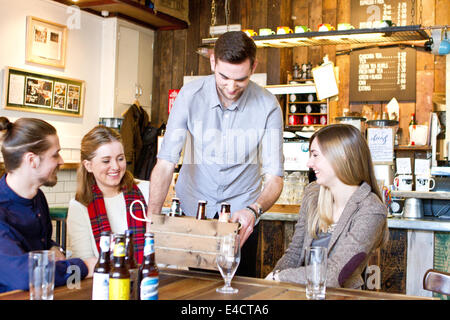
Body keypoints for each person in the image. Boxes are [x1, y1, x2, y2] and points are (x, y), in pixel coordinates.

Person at [147, 31, 284, 277]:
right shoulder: (189, 96)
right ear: (212, 62)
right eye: (224, 77)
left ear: (254, 66)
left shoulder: (268, 106)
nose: (231, 87)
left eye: (241, 79)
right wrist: (152, 222)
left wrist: (254, 210)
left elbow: (275, 177)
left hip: (241, 221)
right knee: (195, 290)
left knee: (238, 293)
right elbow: (166, 162)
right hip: (194, 213)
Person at [266, 124, 388, 289]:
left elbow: (334, 274)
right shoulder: (313, 194)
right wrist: (271, 287)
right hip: (301, 292)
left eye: (315, 155)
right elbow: (294, 254)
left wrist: (279, 277)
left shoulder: (371, 210)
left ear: (342, 156)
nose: (309, 163)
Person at [0, 117, 96, 293]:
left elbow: (35, 244)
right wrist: (83, 266)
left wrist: (52, 247)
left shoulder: (38, 197)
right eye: (55, 154)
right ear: (32, 160)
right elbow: (22, 275)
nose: (61, 161)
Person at [67, 125, 149, 264]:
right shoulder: (79, 206)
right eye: (106, 161)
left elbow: (165, 249)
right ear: (88, 165)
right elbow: (85, 261)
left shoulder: (147, 191)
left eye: (120, 158)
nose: (116, 167)